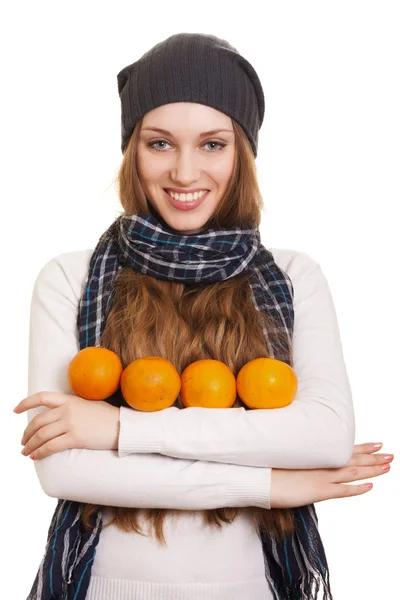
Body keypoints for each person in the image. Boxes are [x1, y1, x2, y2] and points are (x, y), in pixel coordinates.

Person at [15, 32, 393, 600]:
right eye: (160, 143)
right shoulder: (70, 279)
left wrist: (118, 429)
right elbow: (65, 472)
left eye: (212, 145)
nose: (185, 173)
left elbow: (324, 438)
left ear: (242, 152)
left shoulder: (292, 278)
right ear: (131, 151)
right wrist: (271, 484)